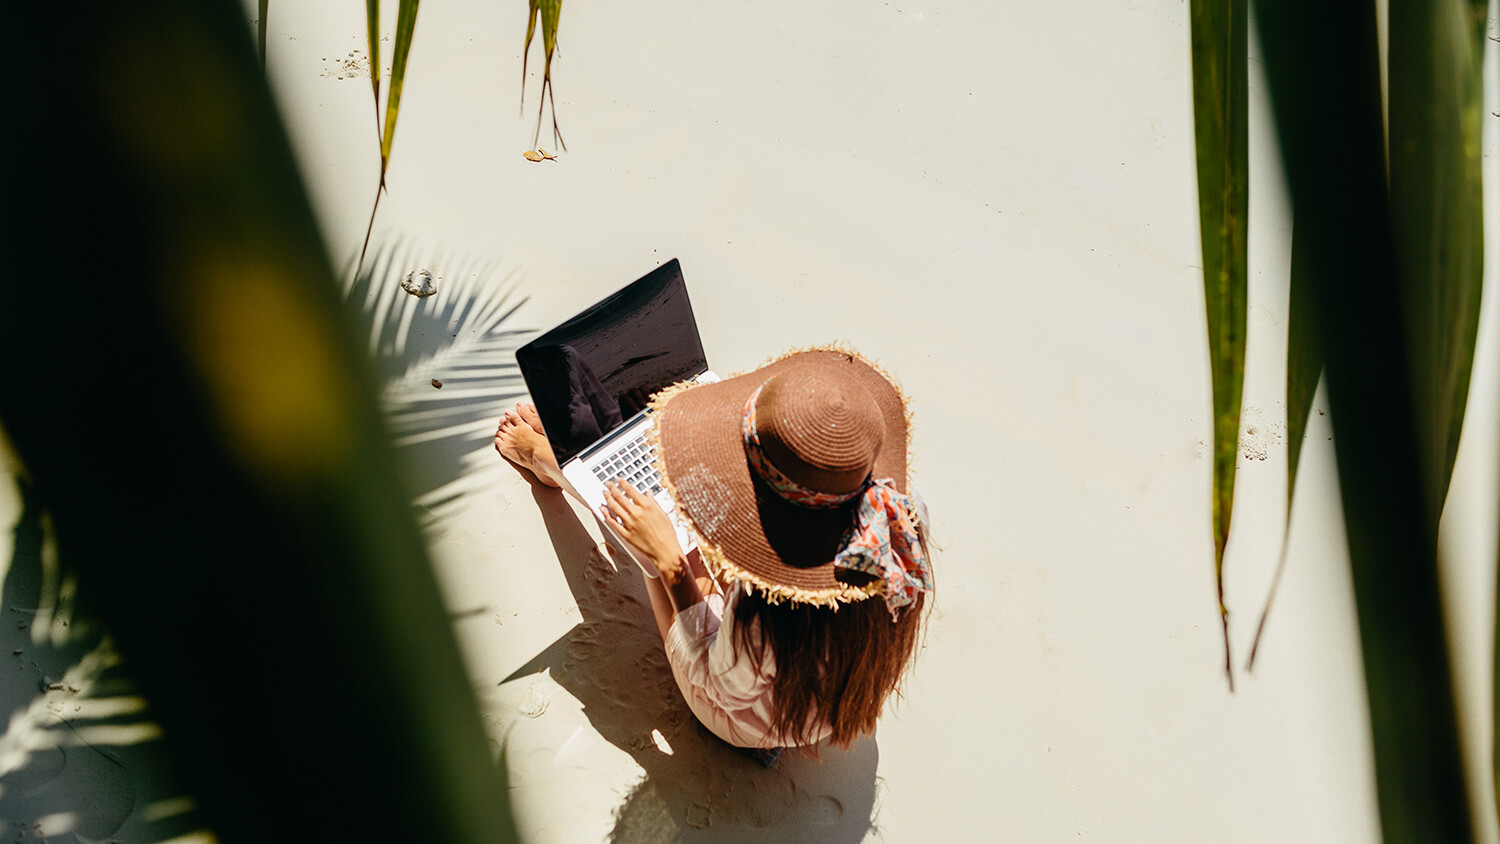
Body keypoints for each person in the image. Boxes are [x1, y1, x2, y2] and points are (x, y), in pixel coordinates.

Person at [495, 346, 933, 753]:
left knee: (664, 541)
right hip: (824, 683)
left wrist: (671, 567)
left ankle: (551, 461)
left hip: (754, 713)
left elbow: (724, 683)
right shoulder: (894, 519)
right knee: (697, 511)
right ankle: (584, 454)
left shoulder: (762, 619)